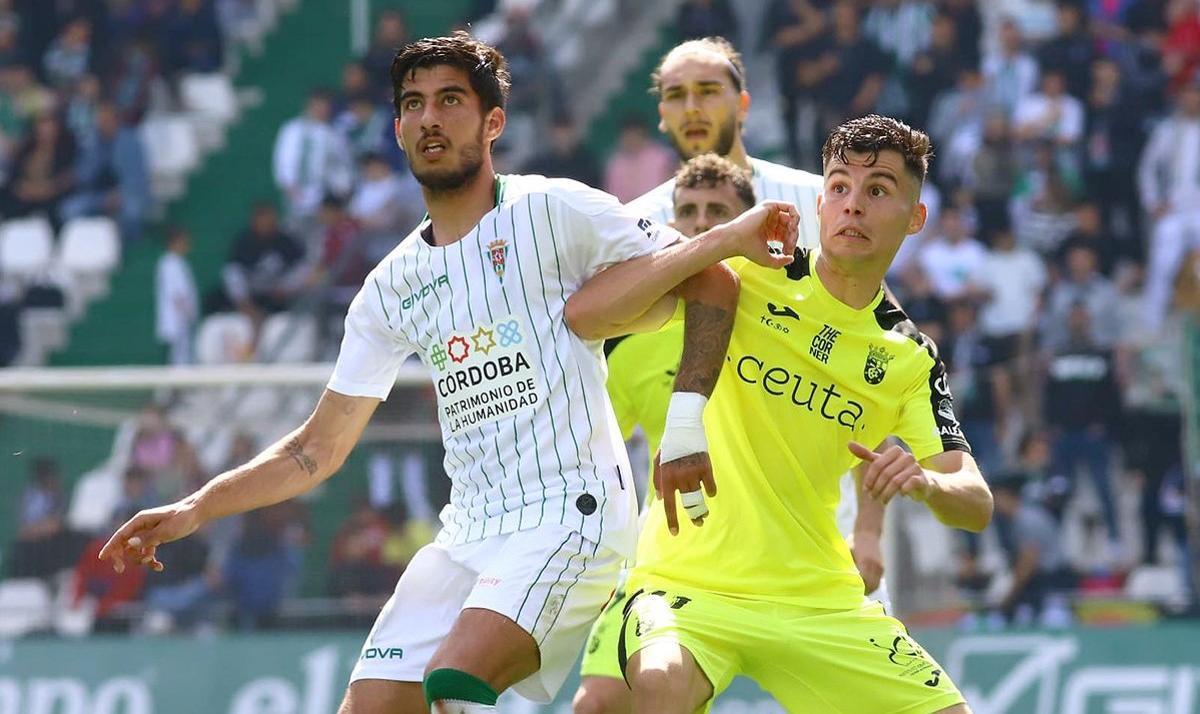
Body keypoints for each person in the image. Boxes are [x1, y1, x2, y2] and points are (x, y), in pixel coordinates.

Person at [100, 32, 798, 714]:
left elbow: (711, 279)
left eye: (450, 101)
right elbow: (314, 450)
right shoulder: (389, 286)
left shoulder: (553, 209)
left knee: (453, 682)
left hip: (572, 513)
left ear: (492, 122)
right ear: (398, 128)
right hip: (466, 532)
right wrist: (195, 507)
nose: (429, 117)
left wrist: (681, 429)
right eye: (413, 103)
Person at [568, 115, 992, 713]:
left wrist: (926, 481)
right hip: (686, 583)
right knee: (655, 686)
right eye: (840, 188)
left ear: (915, 218)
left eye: (878, 191)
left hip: (818, 599)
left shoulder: (910, 357)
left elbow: (975, 502)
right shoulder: (749, 271)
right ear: (820, 204)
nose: (854, 207)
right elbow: (585, 313)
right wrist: (719, 239)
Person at [574, 39, 888, 714]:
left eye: (709, 90)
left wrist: (869, 529)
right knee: (613, 702)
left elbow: (874, 363)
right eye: (676, 95)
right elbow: (604, 348)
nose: (693, 107)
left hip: (811, 531)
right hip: (689, 535)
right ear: (659, 113)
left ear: (743, 102)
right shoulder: (635, 226)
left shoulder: (817, 199)